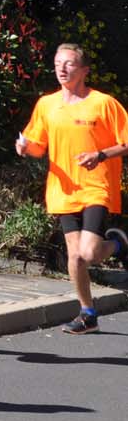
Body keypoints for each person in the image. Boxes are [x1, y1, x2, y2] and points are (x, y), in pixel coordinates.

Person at [15, 43, 128, 335]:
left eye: (70, 64)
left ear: (84, 71)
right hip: (62, 189)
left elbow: (126, 141)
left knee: (88, 253)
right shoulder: (47, 104)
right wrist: (25, 147)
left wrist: (100, 154)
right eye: (58, 63)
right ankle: (87, 312)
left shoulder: (103, 103)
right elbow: (39, 146)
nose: (62, 69)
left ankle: (118, 243)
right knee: (74, 256)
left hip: (95, 186)